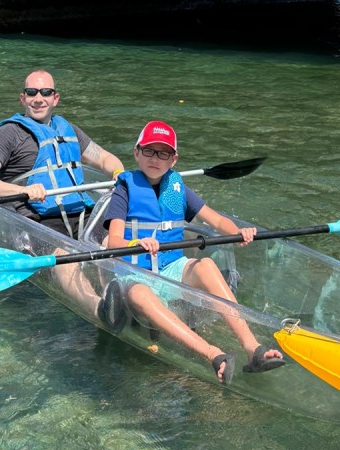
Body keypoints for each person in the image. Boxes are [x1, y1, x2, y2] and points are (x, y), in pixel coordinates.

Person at [103, 120, 285, 385]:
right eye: (149, 151)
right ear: (136, 153)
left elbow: (217, 221)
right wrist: (135, 244)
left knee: (206, 266)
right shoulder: (125, 189)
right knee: (140, 293)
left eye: (163, 153)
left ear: (173, 159)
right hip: (134, 273)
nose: (155, 158)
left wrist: (239, 232)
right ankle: (213, 354)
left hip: (171, 268)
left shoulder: (178, 189)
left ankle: (252, 348)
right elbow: (113, 242)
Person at [0, 69, 126, 323]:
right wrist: (22, 190)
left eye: (45, 92)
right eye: (31, 92)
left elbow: (105, 158)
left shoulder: (68, 129)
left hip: (80, 214)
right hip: (38, 219)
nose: (38, 98)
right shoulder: (9, 134)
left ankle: (127, 298)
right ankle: (101, 311)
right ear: (22, 98)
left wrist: (118, 173)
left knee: (111, 241)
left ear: (55, 98)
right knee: (63, 257)